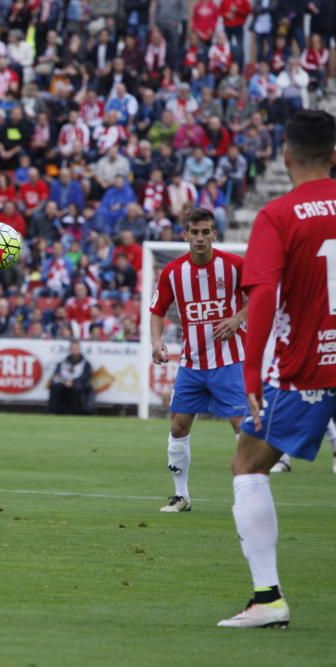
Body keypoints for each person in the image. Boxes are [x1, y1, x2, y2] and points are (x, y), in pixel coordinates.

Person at [218, 110, 336, 629]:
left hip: (309, 369)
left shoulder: (279, 216)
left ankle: (268, 598)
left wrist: (249, 378)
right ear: (334, 156)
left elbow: (263, 295)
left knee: (247, 464)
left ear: (285, 156)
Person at [150, 207, 247, 513]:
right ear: (186, 235)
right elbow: (157, 310)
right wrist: (157, 341)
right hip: (192, 365)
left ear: (214, 234)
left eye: (206, 232)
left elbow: (262, 295)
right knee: (178, 427)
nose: (201, 238)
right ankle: (181, 496)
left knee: (243, 429)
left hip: (230, 362)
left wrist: (237, 318)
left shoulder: (234, 265)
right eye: (195, 233)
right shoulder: (173, 272)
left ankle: (250, 495)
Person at [46, 341, 94, 415]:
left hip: (77, 384)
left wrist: (73, 382)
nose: (74, 351)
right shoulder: (63, 362)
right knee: (55, 386)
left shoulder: (85, 363)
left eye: (76, 349)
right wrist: (65, 381)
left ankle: (75, 411)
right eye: (73, 349)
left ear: (80, 349)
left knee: (77, 388)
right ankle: (53, 411)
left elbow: (86, 377)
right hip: (64, 383)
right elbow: (56, 375)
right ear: (70, 350)